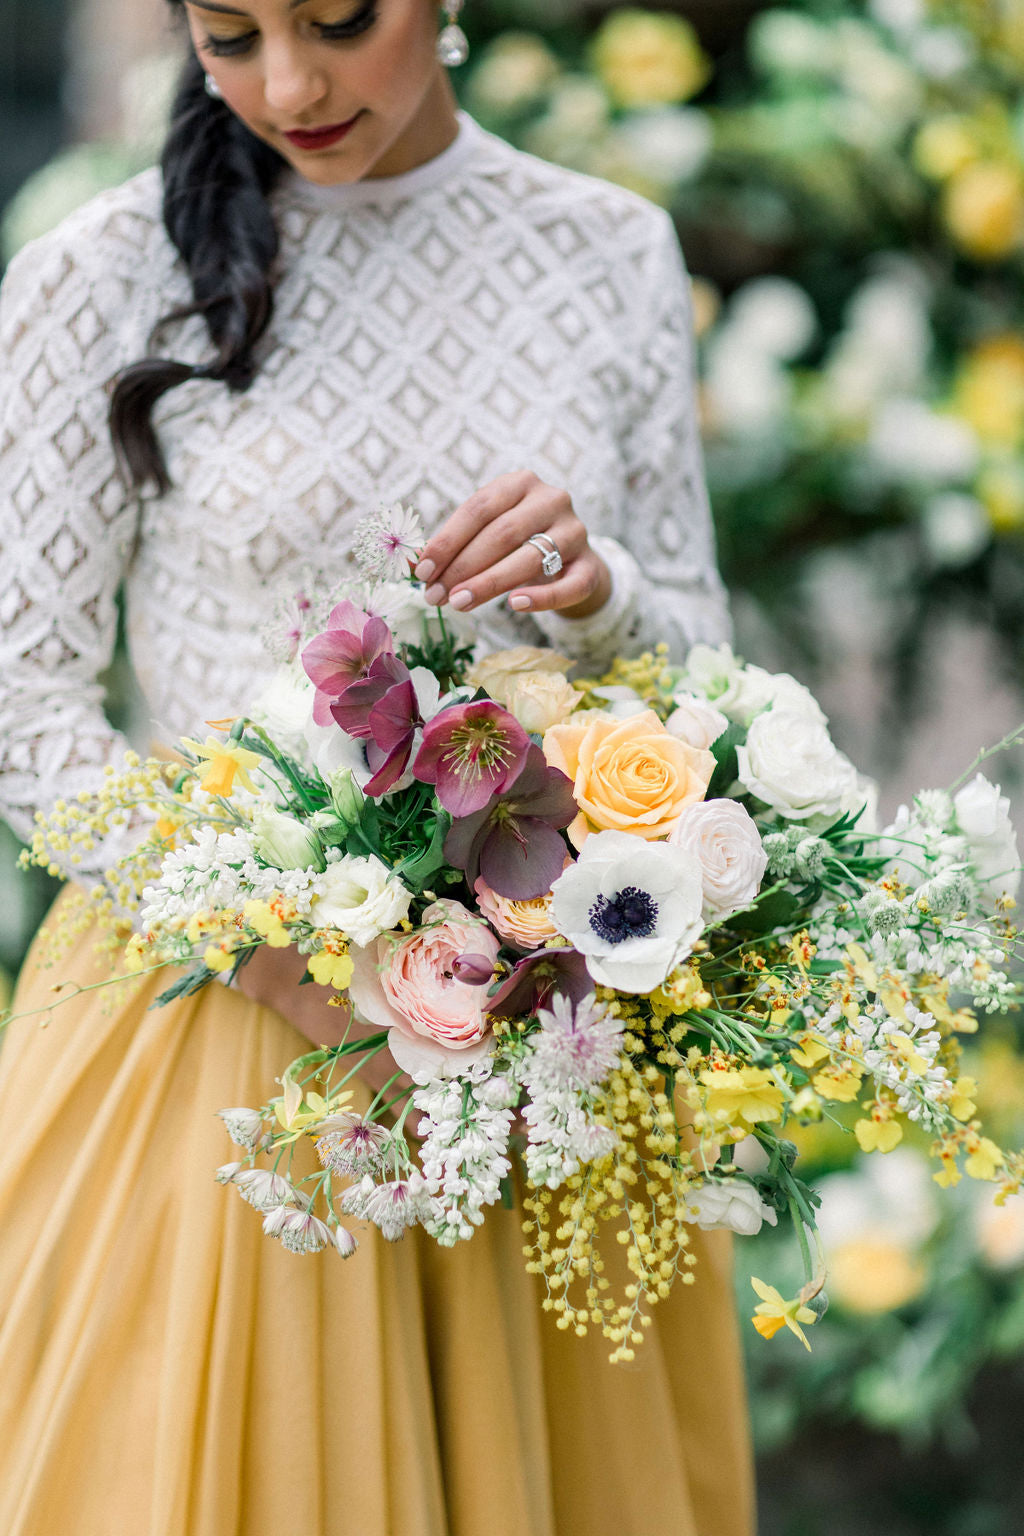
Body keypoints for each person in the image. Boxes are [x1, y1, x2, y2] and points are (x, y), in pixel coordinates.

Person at [0, 0, 753, 1531]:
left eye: (342, 20)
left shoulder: (604, 247)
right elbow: (22, 702)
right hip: (227, 1040)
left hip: (556, 1030)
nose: (291, 84)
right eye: (231, 35)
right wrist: (287, 961)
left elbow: (713, 674)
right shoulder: (97, 274)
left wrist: (596, 588)